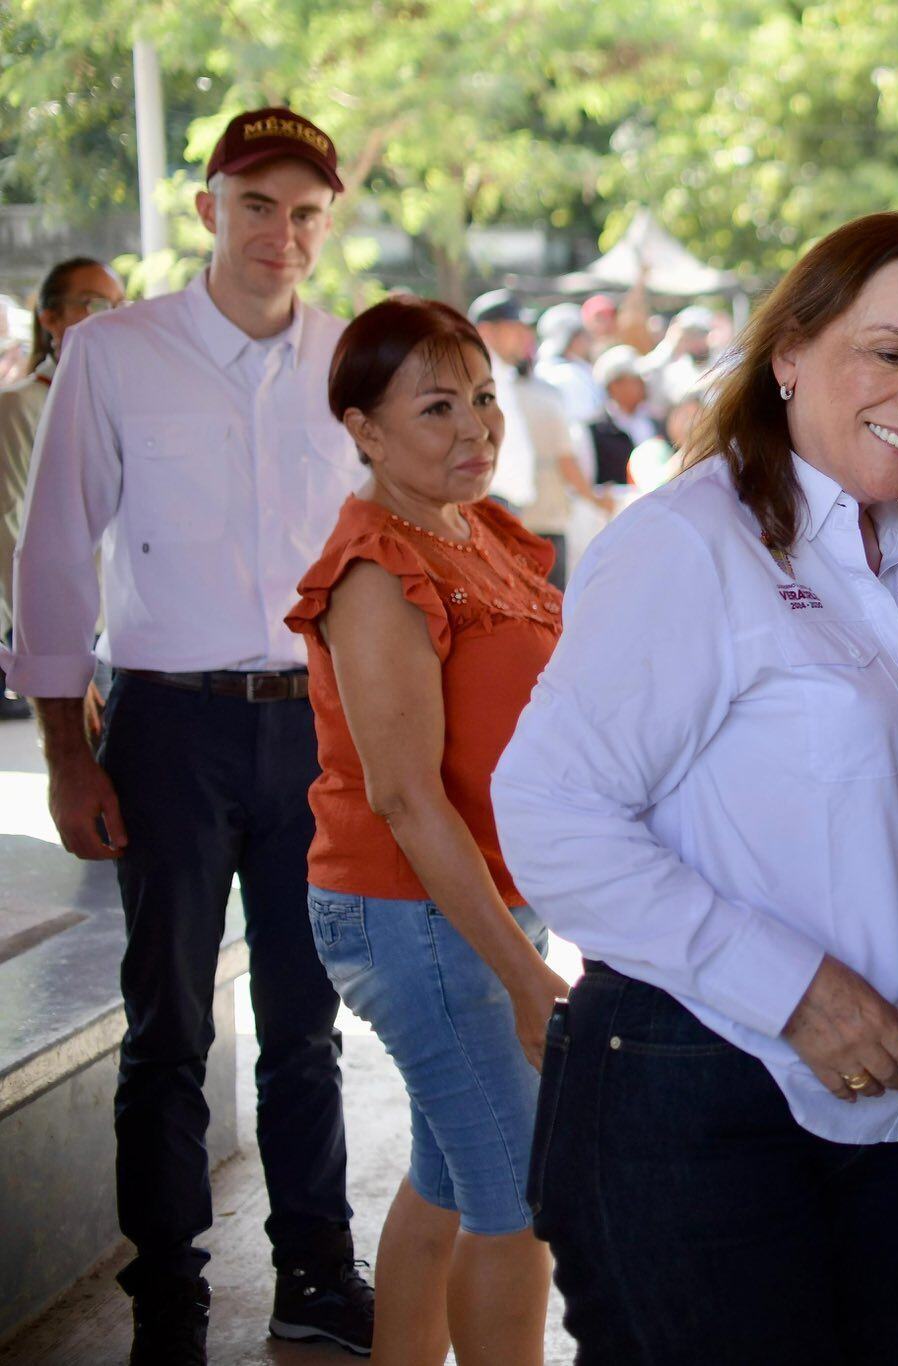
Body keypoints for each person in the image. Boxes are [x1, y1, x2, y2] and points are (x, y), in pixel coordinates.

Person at [492, 209, 898, 1364]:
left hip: (876, 1107)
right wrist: (795, 988)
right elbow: (550, 816)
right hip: (691, 1089)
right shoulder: (692, 543)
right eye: (888, 353)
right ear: (787, 353)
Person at [6, 107, 374, 1361]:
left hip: (316, 728)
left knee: (305, 1018)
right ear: (211, 206)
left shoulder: (349, 362)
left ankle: (317, 1274)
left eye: (307, 212)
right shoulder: (116, 352)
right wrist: (64, 750)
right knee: (164, 1020)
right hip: (164, 728)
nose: (284, 233)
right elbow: (53, 556)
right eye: (259, 204)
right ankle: (166, 1288)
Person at [286, 296, 566, 1365]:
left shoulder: (471, 527)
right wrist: (525, 975)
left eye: (485, 399)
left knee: (452, 1174)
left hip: (477, 898)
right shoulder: (376, 569)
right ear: (362, 428)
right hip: (414, 911)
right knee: (520, 1194)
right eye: (437, 407)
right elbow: (405, 800)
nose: (476, 429)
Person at [1, 256, 124, 718]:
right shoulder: (19, 407)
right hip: (73, 635)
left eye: (119, 305)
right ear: (48, 317)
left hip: (126, 634)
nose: (107, 318)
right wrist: (54, 667)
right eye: (92, 303)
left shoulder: (123, 402)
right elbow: (11, 534)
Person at [469, 289, 611, 587]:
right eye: (515, 327)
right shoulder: (473, 377)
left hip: (511, 510)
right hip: (489, 506)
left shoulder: (503, 376)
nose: (525, 336)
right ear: (486, 331)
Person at [587, 344, 659, 490]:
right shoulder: (596, 432)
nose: (643, 383)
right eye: (635, 379)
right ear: (615, 386)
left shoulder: (655, 423)